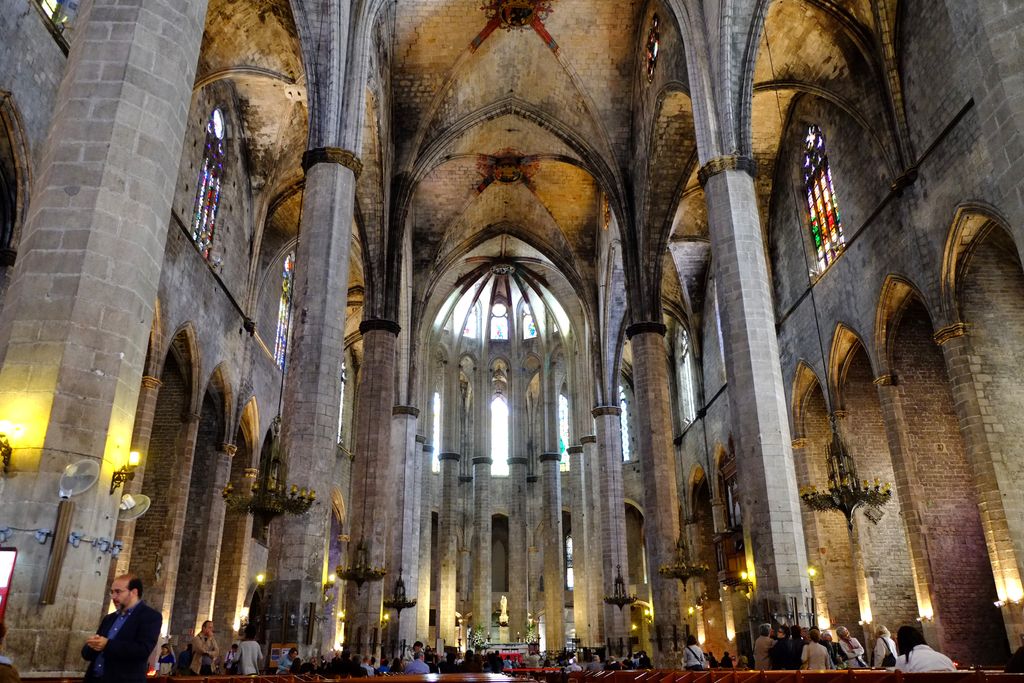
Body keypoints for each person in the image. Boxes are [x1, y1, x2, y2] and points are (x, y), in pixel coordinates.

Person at [82, 574, 163, 683]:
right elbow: (88, 654)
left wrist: (107, 644)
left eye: (118, 592)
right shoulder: (109, 618)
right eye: (112, 592)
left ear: (134, 592)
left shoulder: (150, 616)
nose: (113, 596)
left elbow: (143, 650)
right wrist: (92, 645)